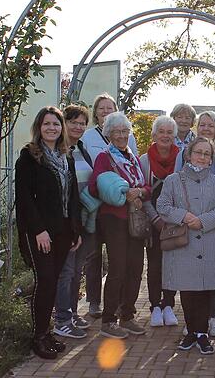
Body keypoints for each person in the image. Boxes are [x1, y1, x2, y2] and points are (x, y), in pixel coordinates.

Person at [15, 106, 83, 359]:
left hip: (64, 231)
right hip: (40, 233)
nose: (52, 128)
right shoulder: (29, 157)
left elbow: (73, 196)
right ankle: (38, 336)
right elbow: (24, 199)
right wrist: (39, 231)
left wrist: (76, 229)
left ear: (61, 128)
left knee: (53, 281)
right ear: (39, 128)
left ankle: (47, 330)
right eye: (47, 124)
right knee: (44, 280)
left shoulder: (67, 157)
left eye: (56, 124)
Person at [157, 137, 215, 355]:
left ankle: (203, 334)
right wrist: (184, 216)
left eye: (207, 154)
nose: (202, 157)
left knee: (207, 289)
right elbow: (162, 205)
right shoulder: (173, 180)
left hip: (208, 242)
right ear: (188, 155)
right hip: (184, 243)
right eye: (198, 152)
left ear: (211, 160)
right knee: (188, 289)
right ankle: (191, 331)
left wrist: (203, 221)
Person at [88, 112, 150, 339]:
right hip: (114, 219)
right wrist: (122, 193)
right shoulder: (105, 158)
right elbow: (95, 187)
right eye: (117, 132)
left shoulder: (132, 158)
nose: (122, 136)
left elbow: (147, 187)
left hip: (134, 219)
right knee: (118, 269)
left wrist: (140, 192)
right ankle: (108, 320)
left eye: (125, 131)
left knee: (135, 268)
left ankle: (127, 315)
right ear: (109, 134)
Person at [173, 110, 215, 337]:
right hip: (188, 223)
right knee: (190, 272)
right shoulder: (184, 154)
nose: (206, 128)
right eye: (203, 125)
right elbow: (176, 185)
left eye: (211, 125)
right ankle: (192, 320)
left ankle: (213, 317)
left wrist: (203, 218)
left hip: (212, 225)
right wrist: (189, 216)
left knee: (212, 272)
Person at [80, 93, 137, 318]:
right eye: (101, 108)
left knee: (126, 265)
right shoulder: (89, 138)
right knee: (96, 257)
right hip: (100, 210)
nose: (105, 111)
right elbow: (95, 179)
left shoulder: (130, 150)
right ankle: (96, 303)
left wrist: (139, 191)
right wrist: (113, 188)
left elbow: (138, 178)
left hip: (126, 215)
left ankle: (124, 309)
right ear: (96, 112)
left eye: (109, 107)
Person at [51, 105, 97, 339]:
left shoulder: (80, 148)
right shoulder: (57, 152)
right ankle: (62, 319)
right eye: (73, 122)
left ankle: (70, 313)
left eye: (82, 123)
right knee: (66, 271)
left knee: (77, 269)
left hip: (84, 218)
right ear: (63, 124)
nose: (78, 127)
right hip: (66, 220)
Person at [139, 115, 181, 327]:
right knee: (155, 264)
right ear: (154, 135)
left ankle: (168, 305)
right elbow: (142, 194)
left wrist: (173, 218)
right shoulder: (144, 161)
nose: (165, 136)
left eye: (169, 132)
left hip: (174, 222)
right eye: (161, 132)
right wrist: (155, 218)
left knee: (172, 264)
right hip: (153, 221)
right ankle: (155, 305)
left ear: (174, 136)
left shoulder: (181, 158)